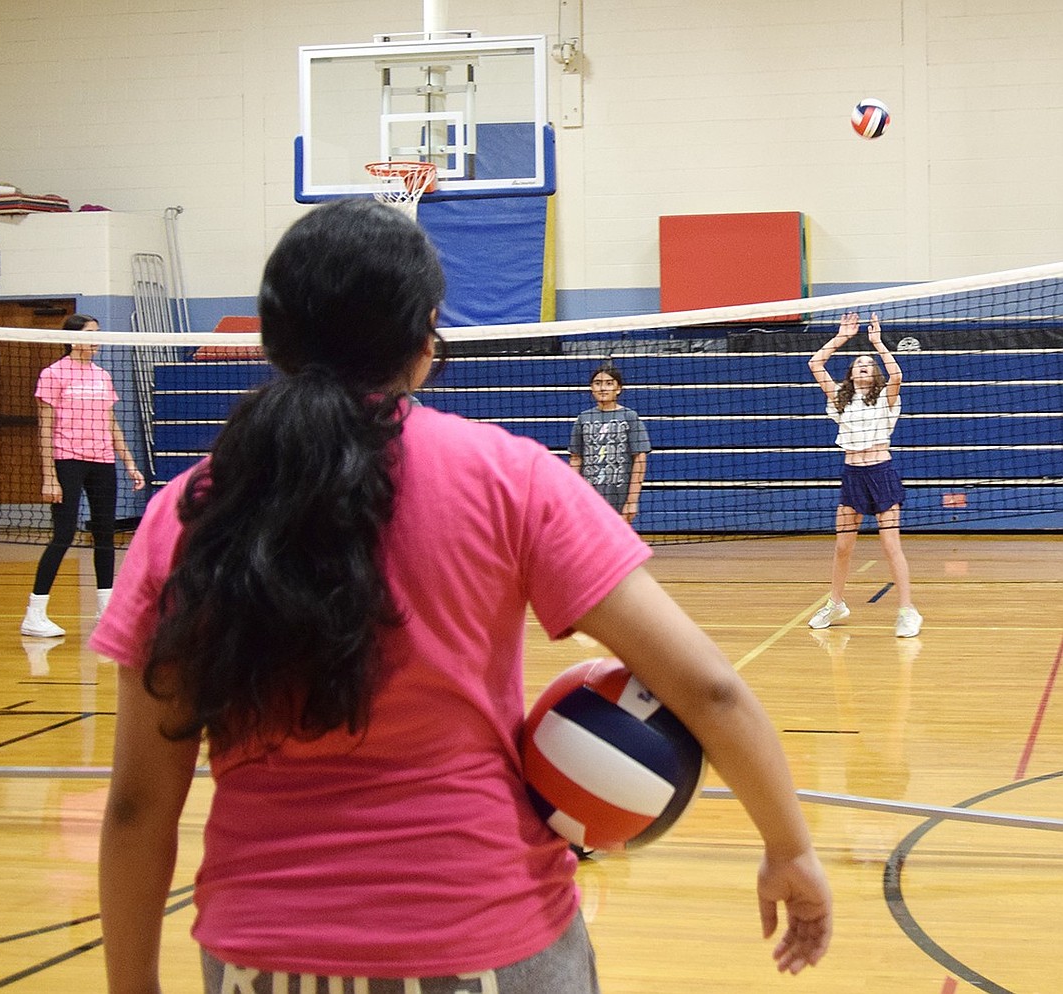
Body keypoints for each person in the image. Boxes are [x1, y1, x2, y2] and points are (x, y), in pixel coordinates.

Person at [94, 200, 831, 994]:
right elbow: (708, 687)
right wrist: (789, 847)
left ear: (273, 340)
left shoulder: (184, 515)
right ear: (426, 338)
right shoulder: (507, 477)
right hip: (489, 937)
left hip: (262, 955)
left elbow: (140, 807)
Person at [20, 315, 145, 638]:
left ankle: (105, 609)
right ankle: (35, 614)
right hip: (67, 461)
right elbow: (44, 427)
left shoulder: (102, 375)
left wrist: (129, 462)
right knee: (62, 535)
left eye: (98, 334)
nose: (97, 340)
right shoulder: (52, 374)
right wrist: (50, 476)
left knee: (104, 535)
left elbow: (111, 422)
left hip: (102, 462)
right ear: (74, 339)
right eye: (91, 334)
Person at [807, 311, 922, 638]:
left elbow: (896, 375)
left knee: (890, 545)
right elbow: (815, 363)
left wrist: (876, 343)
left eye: (867, 364)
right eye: (857, 362)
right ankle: (836, 603)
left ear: (874, 375)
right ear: (851, 373)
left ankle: (907, 610)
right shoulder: (840, 399)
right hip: (853, 475)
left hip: (881, 473)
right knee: (843, 547)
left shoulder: (886, 399)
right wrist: (842, 337)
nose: (862, 365)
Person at [568, 363, 651, 523]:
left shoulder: (629, 417)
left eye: (609, 383)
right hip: (588, 497)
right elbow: (575, 458)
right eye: (597, 383)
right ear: (591, 388)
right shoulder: (583, 419)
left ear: (618, 388)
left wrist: (632, 501)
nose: (602, 388)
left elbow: (640, 459)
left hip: (619, 495)